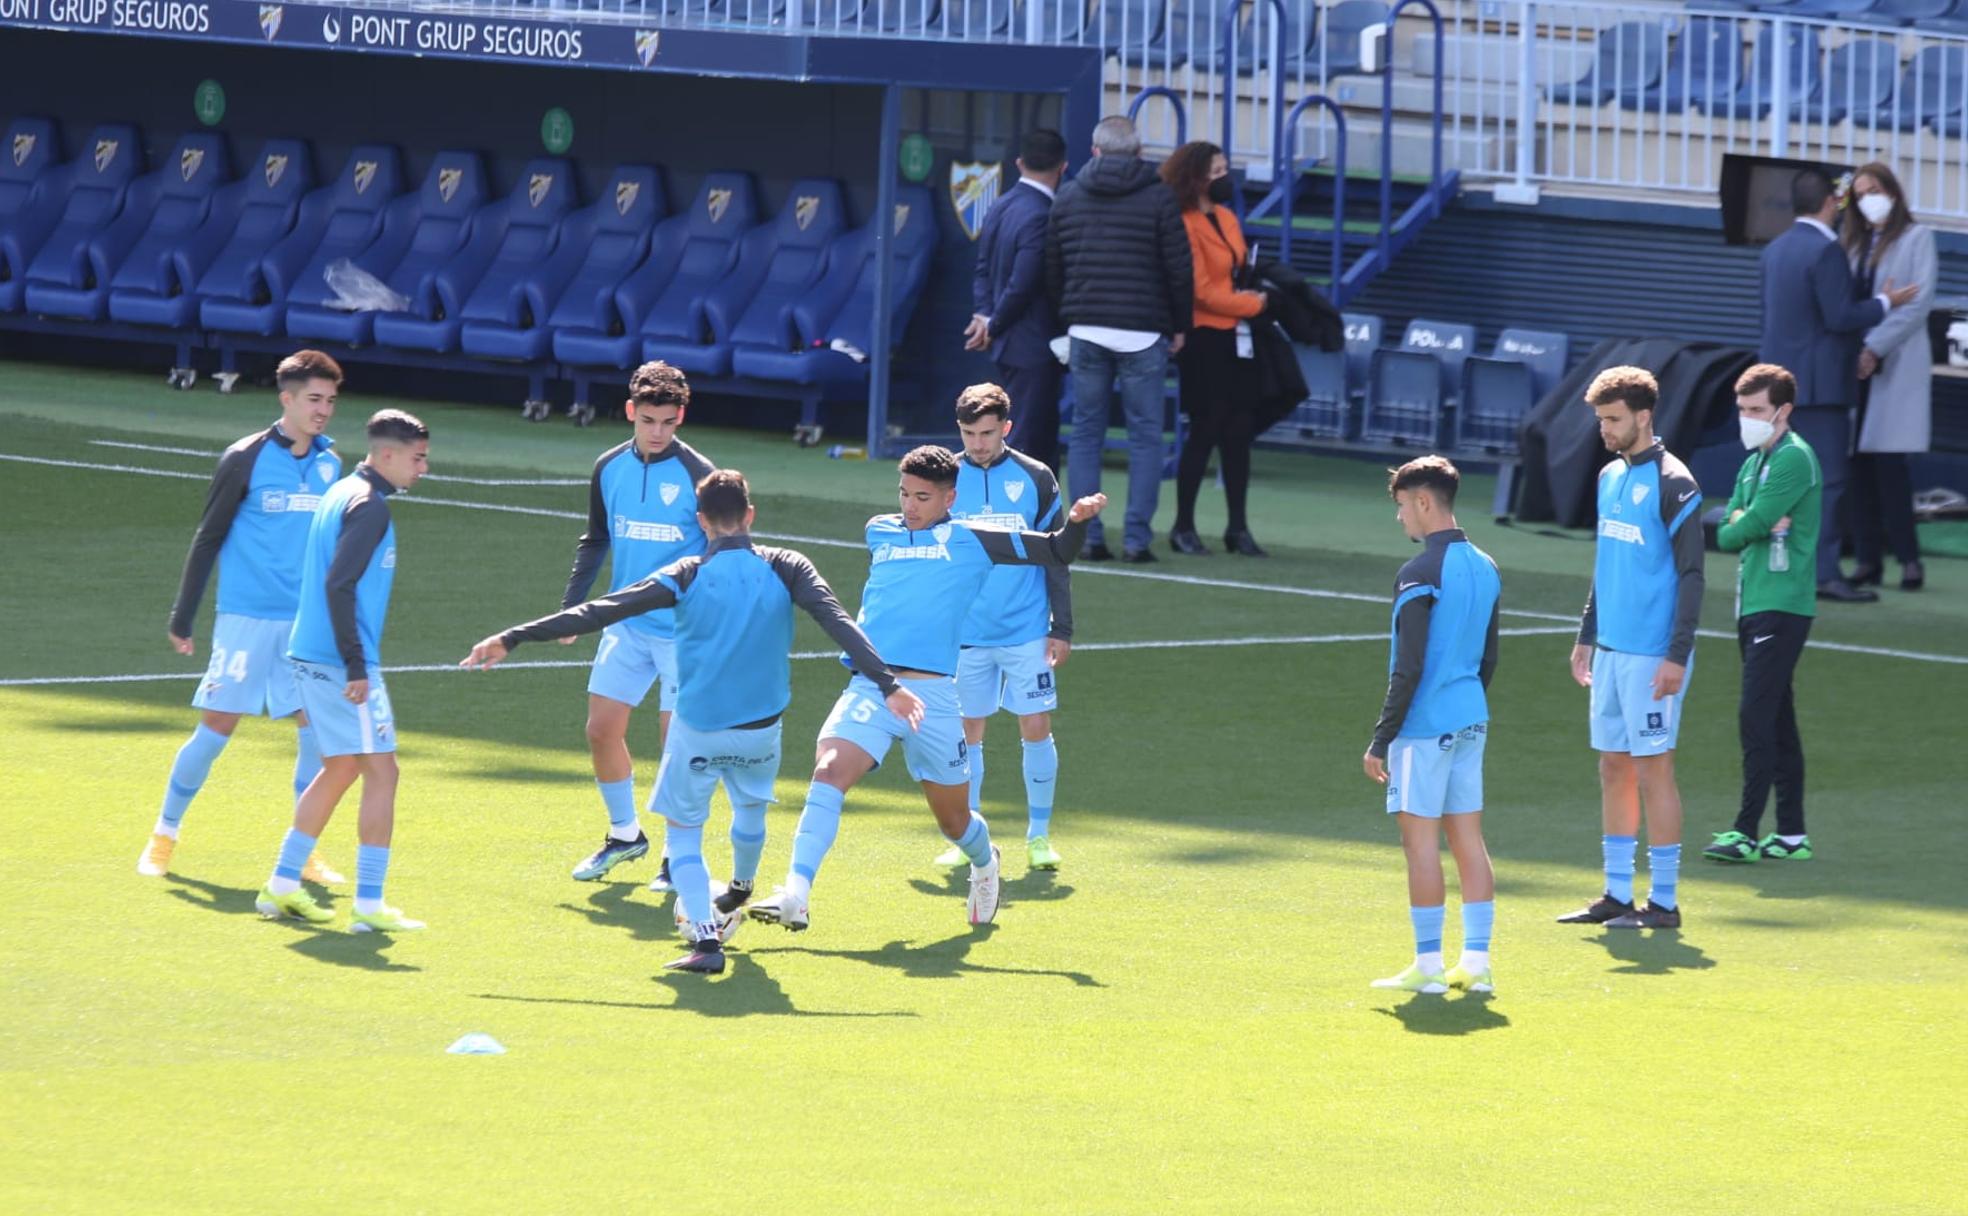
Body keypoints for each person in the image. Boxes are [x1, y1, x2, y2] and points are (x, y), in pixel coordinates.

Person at [461, 470, 922, 975]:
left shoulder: (685, 573)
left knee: (683, 834)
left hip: (698, 730)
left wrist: (513, 636)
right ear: (750, 515)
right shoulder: (788, 565)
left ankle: (706, 942)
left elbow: (600, 611)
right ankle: (743, 886)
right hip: (760, 731)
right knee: (750, 809)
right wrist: (889, 685)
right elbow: (839, 623)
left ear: (701, 521)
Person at [746, 446, 1106, 933]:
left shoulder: (977, 539)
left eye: (922, 496)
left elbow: (1058, 550)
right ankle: (796, 893)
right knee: (828, 771)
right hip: (873, 685)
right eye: (903, 493)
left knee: (955, 822)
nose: (909, 506)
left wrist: (1079, 522)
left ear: (950, 498)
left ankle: (984, 862)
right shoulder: (880, 530)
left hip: (934, 698)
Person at [141, 350, 348, 884]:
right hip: (247, 619)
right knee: (216, 728)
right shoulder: (245, 457)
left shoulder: (331, 464)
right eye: (313, 399)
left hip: (307, 624)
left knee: (315, 735)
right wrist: (182, 615)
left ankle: (303, 851)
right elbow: (208, 537)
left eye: (329, 400)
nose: (323, 410)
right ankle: (165, 833)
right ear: (287, 399)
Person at [256, 409, 430, 932]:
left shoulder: (342, 489)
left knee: (342, 767)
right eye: (417, 459)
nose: (422, 469)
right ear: (387, 454)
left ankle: (282, 886)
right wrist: (357, 665)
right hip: (340, 661)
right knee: (382, 770)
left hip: (311, 652)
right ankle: (369, 905)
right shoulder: (368, 507)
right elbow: (340, 585)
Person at [561, 361, 715, 889]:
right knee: (601, 731)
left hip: (684, 633)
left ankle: (678, 856)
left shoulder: (700, 476)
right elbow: (596, 538)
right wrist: (573, 607)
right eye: (648, 420)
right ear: (631, 411)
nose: (656, 432)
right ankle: (626, 835)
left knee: (677, 747)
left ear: (680, 417)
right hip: (626, 624)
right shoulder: (608, 467)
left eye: (667, 422)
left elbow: (721, 553)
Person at [1559, 368, 1703, 931]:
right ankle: (1617, 894)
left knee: (1653, 770)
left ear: (1644, 416)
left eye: (1613, 419)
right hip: (1613, 649)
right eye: (1600, 420)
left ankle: (1663, 903)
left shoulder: (1676, 483)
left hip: (1651, 654)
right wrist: (1586, 636)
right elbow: (1606, 564)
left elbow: (1692, 575)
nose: (1605, 430)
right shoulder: (1608, 477)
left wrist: (1677, 655)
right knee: (1613, 767)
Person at [1364, 456, 1501, 995]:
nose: (1400, 518)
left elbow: (1410, 665)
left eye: (1402, 506)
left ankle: (1427, 966)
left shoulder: (1419, 573)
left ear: (1424, 501)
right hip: (1471, 718)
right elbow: (1489, 657)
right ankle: (1478, 962)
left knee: (1420, 845)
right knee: (1469, 840)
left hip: (1424, 727)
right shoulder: (1487, 565)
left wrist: (1381, 737)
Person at [1758, 167, 1917, 603]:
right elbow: (1839, 317)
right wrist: (1887, 302)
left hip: (1778, 386)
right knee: (1825, 482)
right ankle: (1823, 573)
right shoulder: (1825, 252)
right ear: (1831, 203)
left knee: (1782, 481)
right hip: (1819, 387)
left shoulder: (1775, 249)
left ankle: (1779, 567)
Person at [937, 384, 1074, 873]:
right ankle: (967, 835)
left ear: (1007, 429)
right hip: (967, 633)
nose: (978, 443)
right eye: (970, 433)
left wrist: (1063, 627)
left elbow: (1057, 555)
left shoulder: (1036, 478)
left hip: (1026, 629)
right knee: (967, 733)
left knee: (1035, 726)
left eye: (988, 433)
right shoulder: (945, 478)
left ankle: (1038, 835)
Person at [1045, 114, 1193, 564]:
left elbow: (1053, 266)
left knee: (1086, 431)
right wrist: (1180, 324)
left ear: (1094, 151)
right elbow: (1179, 269)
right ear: (1138, 152)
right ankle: (1136, 539)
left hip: (1086, 327)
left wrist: (1067, 316)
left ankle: (1089, 536)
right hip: (1144, 332)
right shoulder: (1159, 199)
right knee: (1146, 436)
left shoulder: (1067, 196)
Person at [1704, 365, 1823, 865]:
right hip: (1754, 602)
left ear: (1783, 410)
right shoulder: (1755, 462)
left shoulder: (1794, 459)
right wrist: (1745, 522)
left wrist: (1744, 522)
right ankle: (1792, 835)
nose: (1747, 419)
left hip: (1781, 605)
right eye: (1743, 410)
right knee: (1777, 718)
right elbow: (1731, 522)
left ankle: (1745, 830)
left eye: (1756, 410)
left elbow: (1736, 527)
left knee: (1756, 716)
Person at [1160, 140, 1271, 559]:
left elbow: (1237, 269)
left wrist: (1250, 297)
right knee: (1205, 430)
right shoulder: (1183, 221)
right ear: (1197, 176)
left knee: (1239, 431)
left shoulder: (1226, 217)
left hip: (1236, 336)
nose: (1225, 177)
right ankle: (1183, 525)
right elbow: (1201, 291)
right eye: (1217, 170)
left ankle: (1237, 527)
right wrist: (1254, 304)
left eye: (1227, 168)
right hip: (1204, 336)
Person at [1845, 162, 1935, 593]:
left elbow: (1916, 305)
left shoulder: (1917, 238)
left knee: (1889, 468)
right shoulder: (1852, 243)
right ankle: (1867, 561)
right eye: (1859, 193)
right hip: (1853, 368)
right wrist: (1857, 351)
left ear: (1893, 192)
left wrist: (1873, 347)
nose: (1868, 199)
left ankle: (1909, 560)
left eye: (1874, 190)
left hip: (1892, 364)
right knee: (1857, 467)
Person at [965, 128, 1068, 472]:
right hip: (1031, 344)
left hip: (1008, 342)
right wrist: (992, 323)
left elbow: (982, 269)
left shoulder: (1000, 204)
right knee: (1026, 442)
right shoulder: (1042, 213)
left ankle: (1042, 519)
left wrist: (984, 317)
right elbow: (1023, 283)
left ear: (1019, 163)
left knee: (1031, 438)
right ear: (1063, 167)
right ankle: (1011, 520)